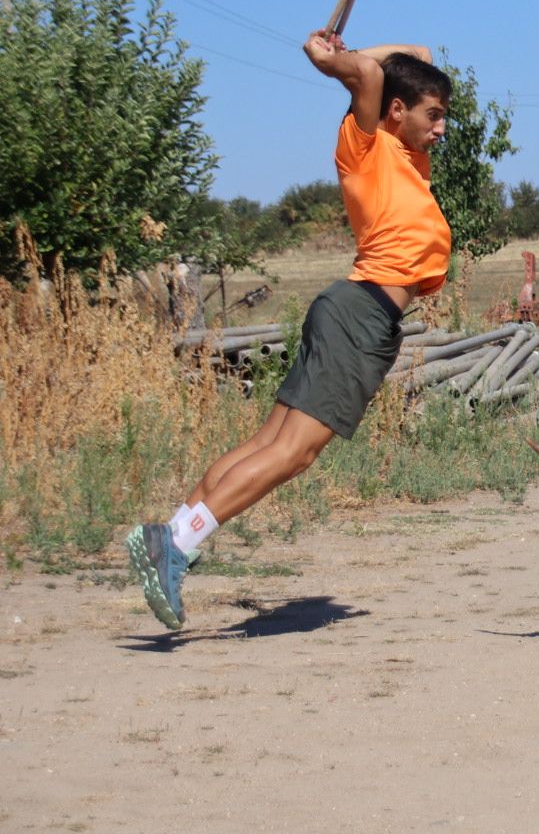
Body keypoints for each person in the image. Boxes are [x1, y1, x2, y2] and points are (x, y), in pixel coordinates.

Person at [125, 31, 454, 630]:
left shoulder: (409, 156)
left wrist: (350, 49)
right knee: (291, 453)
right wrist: (332, 61)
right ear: (396, 113)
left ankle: (173, 534)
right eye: (433, 116)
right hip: (360, 315)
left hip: (358, 313)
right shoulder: (367, 147)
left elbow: (420, 57)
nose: (441, 129)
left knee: (267, 443)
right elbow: (375, 79)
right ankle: (175, 547)